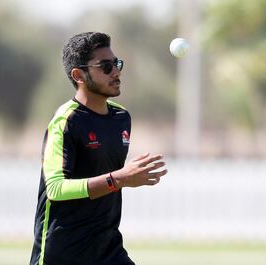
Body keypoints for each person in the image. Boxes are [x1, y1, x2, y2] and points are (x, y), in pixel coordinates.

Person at [29, 32, 167, 265]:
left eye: (116, 63)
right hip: (64, 253)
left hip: (108, 250)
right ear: (78, 75)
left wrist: (121, 178)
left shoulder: (121, 118)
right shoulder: (66, 121)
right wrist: (118, 179)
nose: (116, 71)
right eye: (105, 66)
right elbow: (55, 188)